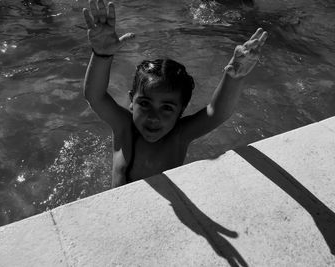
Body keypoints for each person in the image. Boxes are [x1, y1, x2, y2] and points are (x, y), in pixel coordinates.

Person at [82, 0, 267, 187]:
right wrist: (101, 55)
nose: (154, 117)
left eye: (167, 108)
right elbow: (95, 97)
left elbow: (217, 112)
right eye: (145, 104)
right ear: (131, 101)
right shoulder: (124, 127)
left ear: (181, 110)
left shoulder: (179, 135)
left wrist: (234, 77)